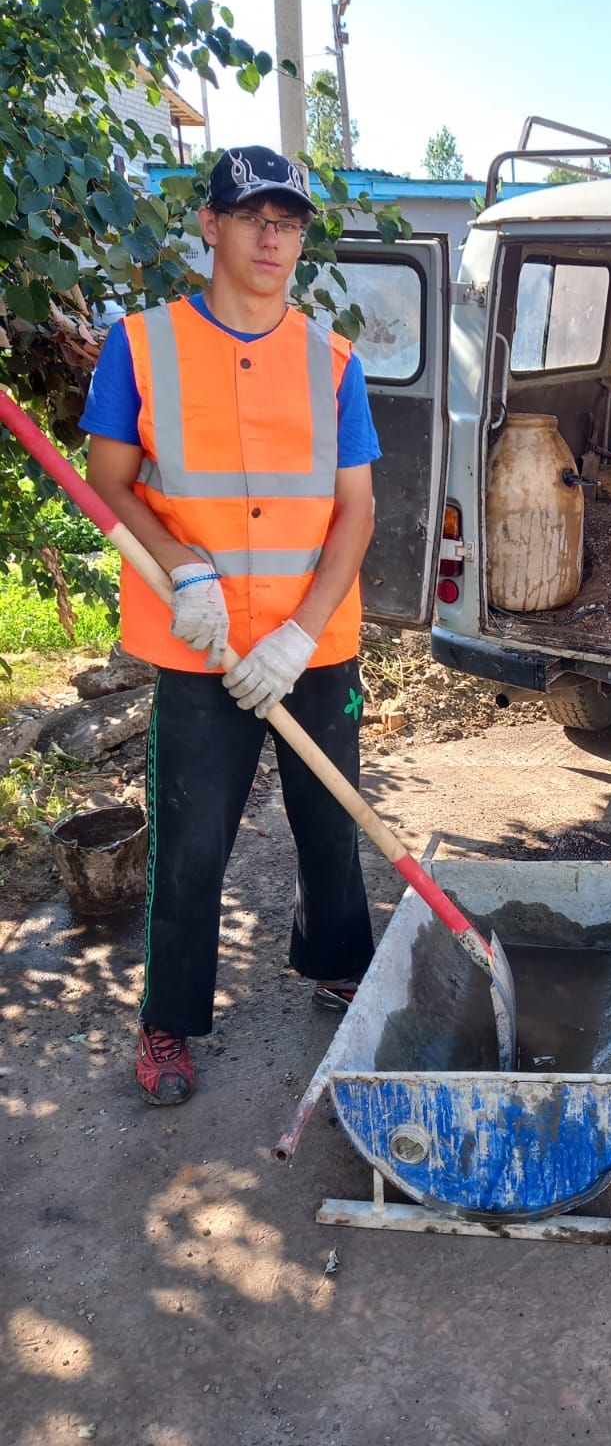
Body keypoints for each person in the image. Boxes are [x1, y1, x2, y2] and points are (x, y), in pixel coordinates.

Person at [82, 146, 381, 1105]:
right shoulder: (142, 345)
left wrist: (300, 632)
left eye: (288, 222)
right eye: (251, 216)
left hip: (312, 645)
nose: (271, 237)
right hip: (200, 643)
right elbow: (110, 485)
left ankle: (338, 963)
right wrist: (183, 567)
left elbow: (357, 513)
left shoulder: (332, 362)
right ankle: (168, 1023)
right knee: (192, 841)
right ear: (208, 224)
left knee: (330, 829)